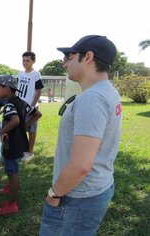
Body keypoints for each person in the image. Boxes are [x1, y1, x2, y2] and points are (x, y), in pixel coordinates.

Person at [39, 35, 122, 236]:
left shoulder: (92, 99)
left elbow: (80, 165)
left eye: (69, 56)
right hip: (97, 187)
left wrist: (54, 194)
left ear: (88, 57)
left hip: (77, 197)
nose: (64, 62)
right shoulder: (108, 91)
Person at [0, 76, 40, 216]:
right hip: (20, 141)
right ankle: (10, 187)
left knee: (13, 173)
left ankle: (11, 205)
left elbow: (14, 120)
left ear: (7, 89)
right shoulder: (22, 102)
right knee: (11, 167)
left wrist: (2, 131)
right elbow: (38, 114)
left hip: (12, 143)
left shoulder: (8, 104)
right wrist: (24, 126)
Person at [17, 51, 44, 161]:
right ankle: (20, 151)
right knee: (19, 129)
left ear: (33, 61)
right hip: (19, 105)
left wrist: (32, 105)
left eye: (28, 60)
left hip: (30, 107)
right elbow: (16, 89)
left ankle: (30, 152)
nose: (25, 62)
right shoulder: (20, 74)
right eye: (23, 60)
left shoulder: (36, 74)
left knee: (31, 130)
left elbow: (38, 91)